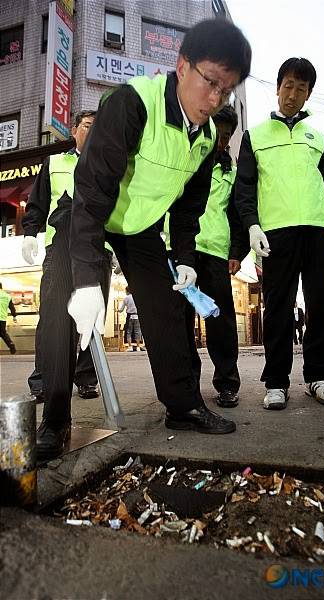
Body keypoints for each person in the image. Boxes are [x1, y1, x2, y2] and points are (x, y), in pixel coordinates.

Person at [67, 20, 252, 436]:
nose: (216, 98)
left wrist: (184, 260)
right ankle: (55, 417)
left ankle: (183, 406)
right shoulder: (132, 103)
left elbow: (187, 210)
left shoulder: (206, 139)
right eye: (211, 82)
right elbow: (93, 191)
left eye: (227, 90)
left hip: (141, 227)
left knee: (166, 312)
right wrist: (84, 279)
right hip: (90, 213)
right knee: (67, 306)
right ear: (182, 65)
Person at [235, 57, 324, 410]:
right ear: (277, 87)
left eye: (301, 88)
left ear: (308, 94)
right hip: (276, 233)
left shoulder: (318, 137)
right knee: (277, 308)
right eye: (287, 86)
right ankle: (277, 382)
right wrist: (251, 225)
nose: (292, 94)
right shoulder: (256, 136)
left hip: (318, 230)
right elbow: (245, 186)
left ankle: (318, 377)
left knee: (320, 306)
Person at [22, 110, 113, 459]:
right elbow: (37, 200)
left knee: (90, 324)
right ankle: (56, 417)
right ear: (74, 130)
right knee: (57, 323)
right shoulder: (55, 162)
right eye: (88, 126)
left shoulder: (112, 166)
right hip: (61, 241)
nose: (93, 133)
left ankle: (86, 377)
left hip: (96, 250)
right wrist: (31, 231)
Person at [165, 104, 249, 407]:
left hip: (215, 252)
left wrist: (237, 252)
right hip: (181, 251)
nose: (221, 140)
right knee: (181, 321)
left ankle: (227, 383)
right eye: (218, 132)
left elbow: (239, 216)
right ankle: (188, 384)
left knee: (221, 321)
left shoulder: (233, 172)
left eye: (227, 135)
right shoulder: (183, 161)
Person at [118, 287, 144, 352]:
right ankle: (138, 347)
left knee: (129, 332)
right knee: (137, 331)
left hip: (129, 316)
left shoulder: (126, 298)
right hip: (137, 316)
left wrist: (117, 310)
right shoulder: (137, 297)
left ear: (127, 291)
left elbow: (121, 309)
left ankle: (130, 347)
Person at [0, 283, 17, 354]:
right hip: (3, 318)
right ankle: (10, 344)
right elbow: (12, 308)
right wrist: (14, 316)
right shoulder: (7, 296)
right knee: (3, 333)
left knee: (2, 333)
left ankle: (10, 344)